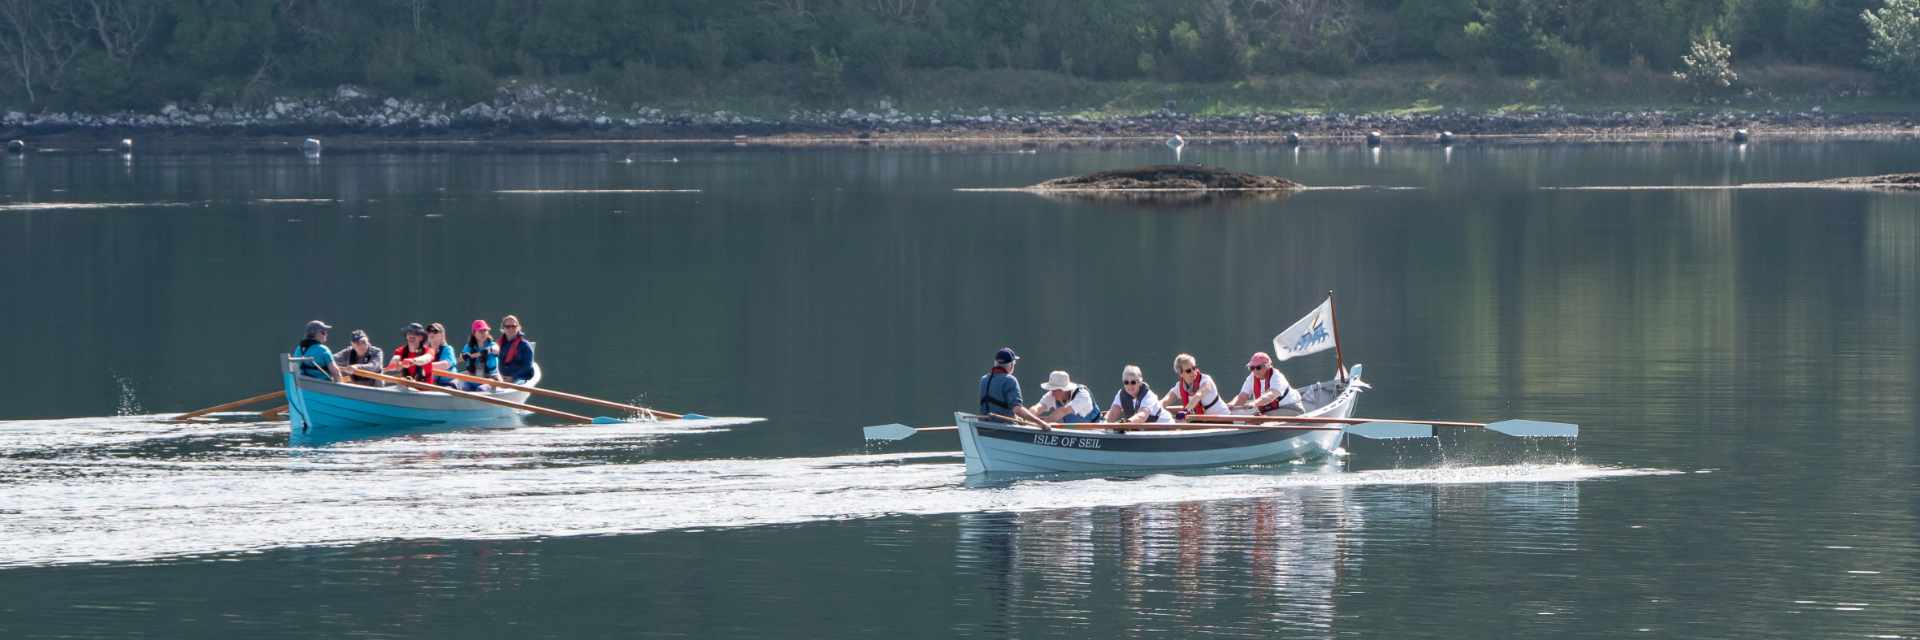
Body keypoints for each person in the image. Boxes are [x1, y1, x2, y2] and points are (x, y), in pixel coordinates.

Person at [978, 347, 1050, 427]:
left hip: (984, 424)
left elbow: (996, 407)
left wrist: (1016, 417)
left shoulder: (984, 379)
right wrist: (1041, 423)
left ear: (995, 363)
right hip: (1004, 426)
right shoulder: (1010, 380)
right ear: (1011, 365)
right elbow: (1017, 409)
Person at [1228, 351, 1305, 416]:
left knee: (1257, 420)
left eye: (1258, 367)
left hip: (1290, 408)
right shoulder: (1251, 378)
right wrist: (1231, 405)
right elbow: (1242, 396)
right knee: (1252, 420)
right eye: (1251, 368)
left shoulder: (1277, 377)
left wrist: (1254, 403)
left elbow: (1270, 395)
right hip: (1271, 411)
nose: (1255, 371)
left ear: (1267, 366)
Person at [1106, 365, 1173, 424]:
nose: (1129, 385)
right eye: (1126, 382)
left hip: (1166, 427)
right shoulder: (1120, 394)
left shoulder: (1149, 396)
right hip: (1144, 430)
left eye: (1133, 382)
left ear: (1140, 383)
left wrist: (1125, 423)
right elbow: (1113, 414)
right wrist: (1104, 423)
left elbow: (1142, 416)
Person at [1165, 353, 1224, 419]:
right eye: (1188, 371)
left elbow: (1198, 395)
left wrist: (1185, 411)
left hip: (1224, 420)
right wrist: (1155, 409)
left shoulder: (1206, 380)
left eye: (1194, 368)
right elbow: (1166, 400)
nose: (1193, 372)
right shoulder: (1179, 387)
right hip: (1204, 424)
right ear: (1180, 373)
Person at [1030, 371, 1100, 424]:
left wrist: (1041, 423)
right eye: (1051, 389)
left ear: (1064, 390)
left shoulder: (1082, 395)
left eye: (1055, 390)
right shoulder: (1052, 394)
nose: (1052, 393)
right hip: (1073, 433)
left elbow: (1062, 411)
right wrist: (1027, 417)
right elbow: (1038, 407)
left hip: (1095, 430)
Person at [457, 319, 501, 391]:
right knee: (464, 388)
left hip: (491, 378)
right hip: (474, 377)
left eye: (485, 331)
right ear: (474, 333)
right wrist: (463, 356)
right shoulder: (468, 347)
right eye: (480, 331)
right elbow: (460, 358)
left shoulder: (493, 345)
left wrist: (489, 350)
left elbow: (497, 349)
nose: (483, 333)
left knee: (481, 389)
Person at [497, 314, 535, 384]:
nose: (511, 329)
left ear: (518, 328)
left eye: (514, 326)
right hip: (500, 378)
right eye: (508, 326)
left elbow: (527, 367)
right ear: (503, 329)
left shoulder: (525, 346)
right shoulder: (498, 345)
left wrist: (513, 377)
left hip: (519, 379)